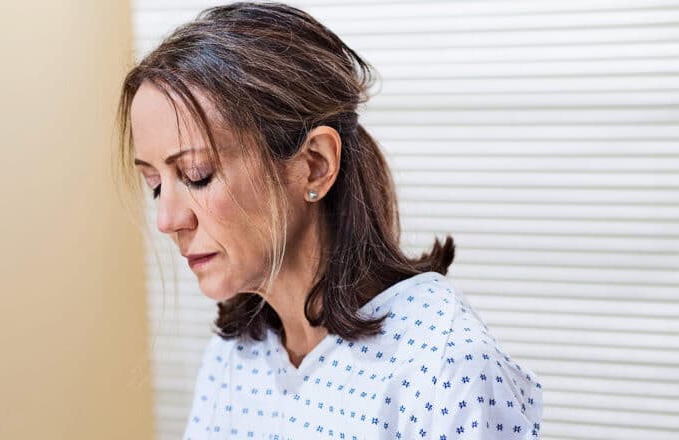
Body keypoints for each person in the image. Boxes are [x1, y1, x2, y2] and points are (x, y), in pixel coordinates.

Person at [114, 2, 543, 439]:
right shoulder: (233, 356)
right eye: (154, 184)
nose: (167, 219)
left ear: (314, 165)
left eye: (196, 175)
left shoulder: (442, 364)